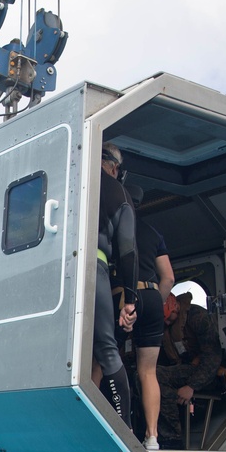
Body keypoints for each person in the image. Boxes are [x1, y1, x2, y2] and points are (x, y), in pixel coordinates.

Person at [123, 185, 174, 451]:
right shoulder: (154, 233)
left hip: (125, 296)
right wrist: (157, 300)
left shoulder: (116, 226)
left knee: (102, 361)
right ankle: (152, 438)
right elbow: (169, 277)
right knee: (148, 371)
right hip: (154, 297)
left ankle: (121, 427)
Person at [92, 143, 138, 428]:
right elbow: (128, 250)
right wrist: (129, 299)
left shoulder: (70, 177)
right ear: (111, 165)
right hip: (93, 267)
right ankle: (125, 430)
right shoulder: (118, 193)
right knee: (106, 350)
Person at [155, 291, 226, 448]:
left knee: (156, 375)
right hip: (183, 371)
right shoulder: (165, 326)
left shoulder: (197, 316)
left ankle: (171, 439)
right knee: (144, 376)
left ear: (175, 308)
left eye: (168, 318)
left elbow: (212, 356)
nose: (166, 323)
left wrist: (192, 386)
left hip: (208, 375)